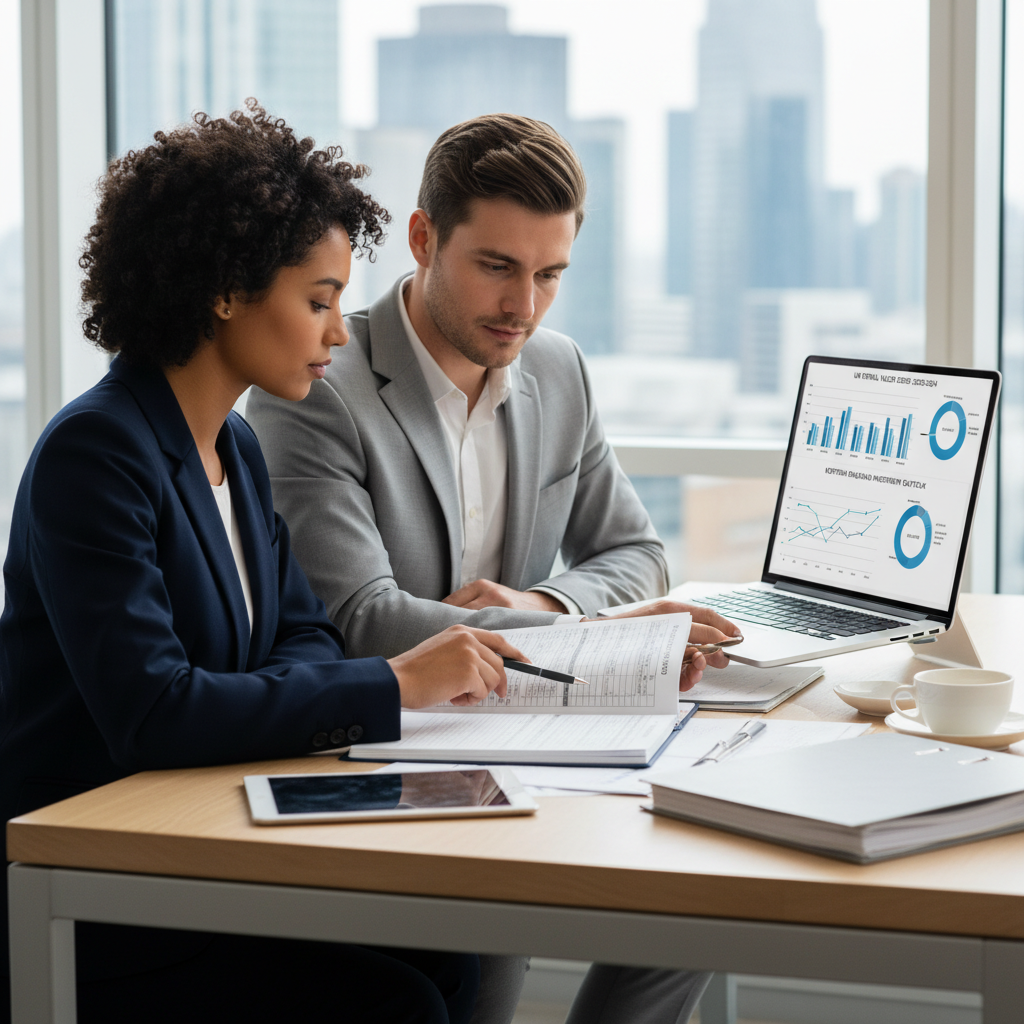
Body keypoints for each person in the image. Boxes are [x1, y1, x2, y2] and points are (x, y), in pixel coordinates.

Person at [0, 102, 533, 1024]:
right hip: (100, 884)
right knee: (394, 1003)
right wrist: (394, 681)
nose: (337, 333)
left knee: (447, 956)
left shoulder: (235, 450)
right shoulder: (97, 455)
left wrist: (297, 690)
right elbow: (155, 710)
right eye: (318, 300)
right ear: (222, 291)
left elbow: (303, 637)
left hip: (210, 834)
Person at [247, 113, 739, 1024]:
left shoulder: (558, 370)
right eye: (498, 267)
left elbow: (636, 551)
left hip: (539, 733)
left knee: (706, 897)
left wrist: (547, 598)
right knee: (479, 995)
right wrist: (585, 637)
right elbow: (360, 619)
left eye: (550, 274)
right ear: (424, 238)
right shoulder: (318, 386)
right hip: (391, 754)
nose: (526, 306)